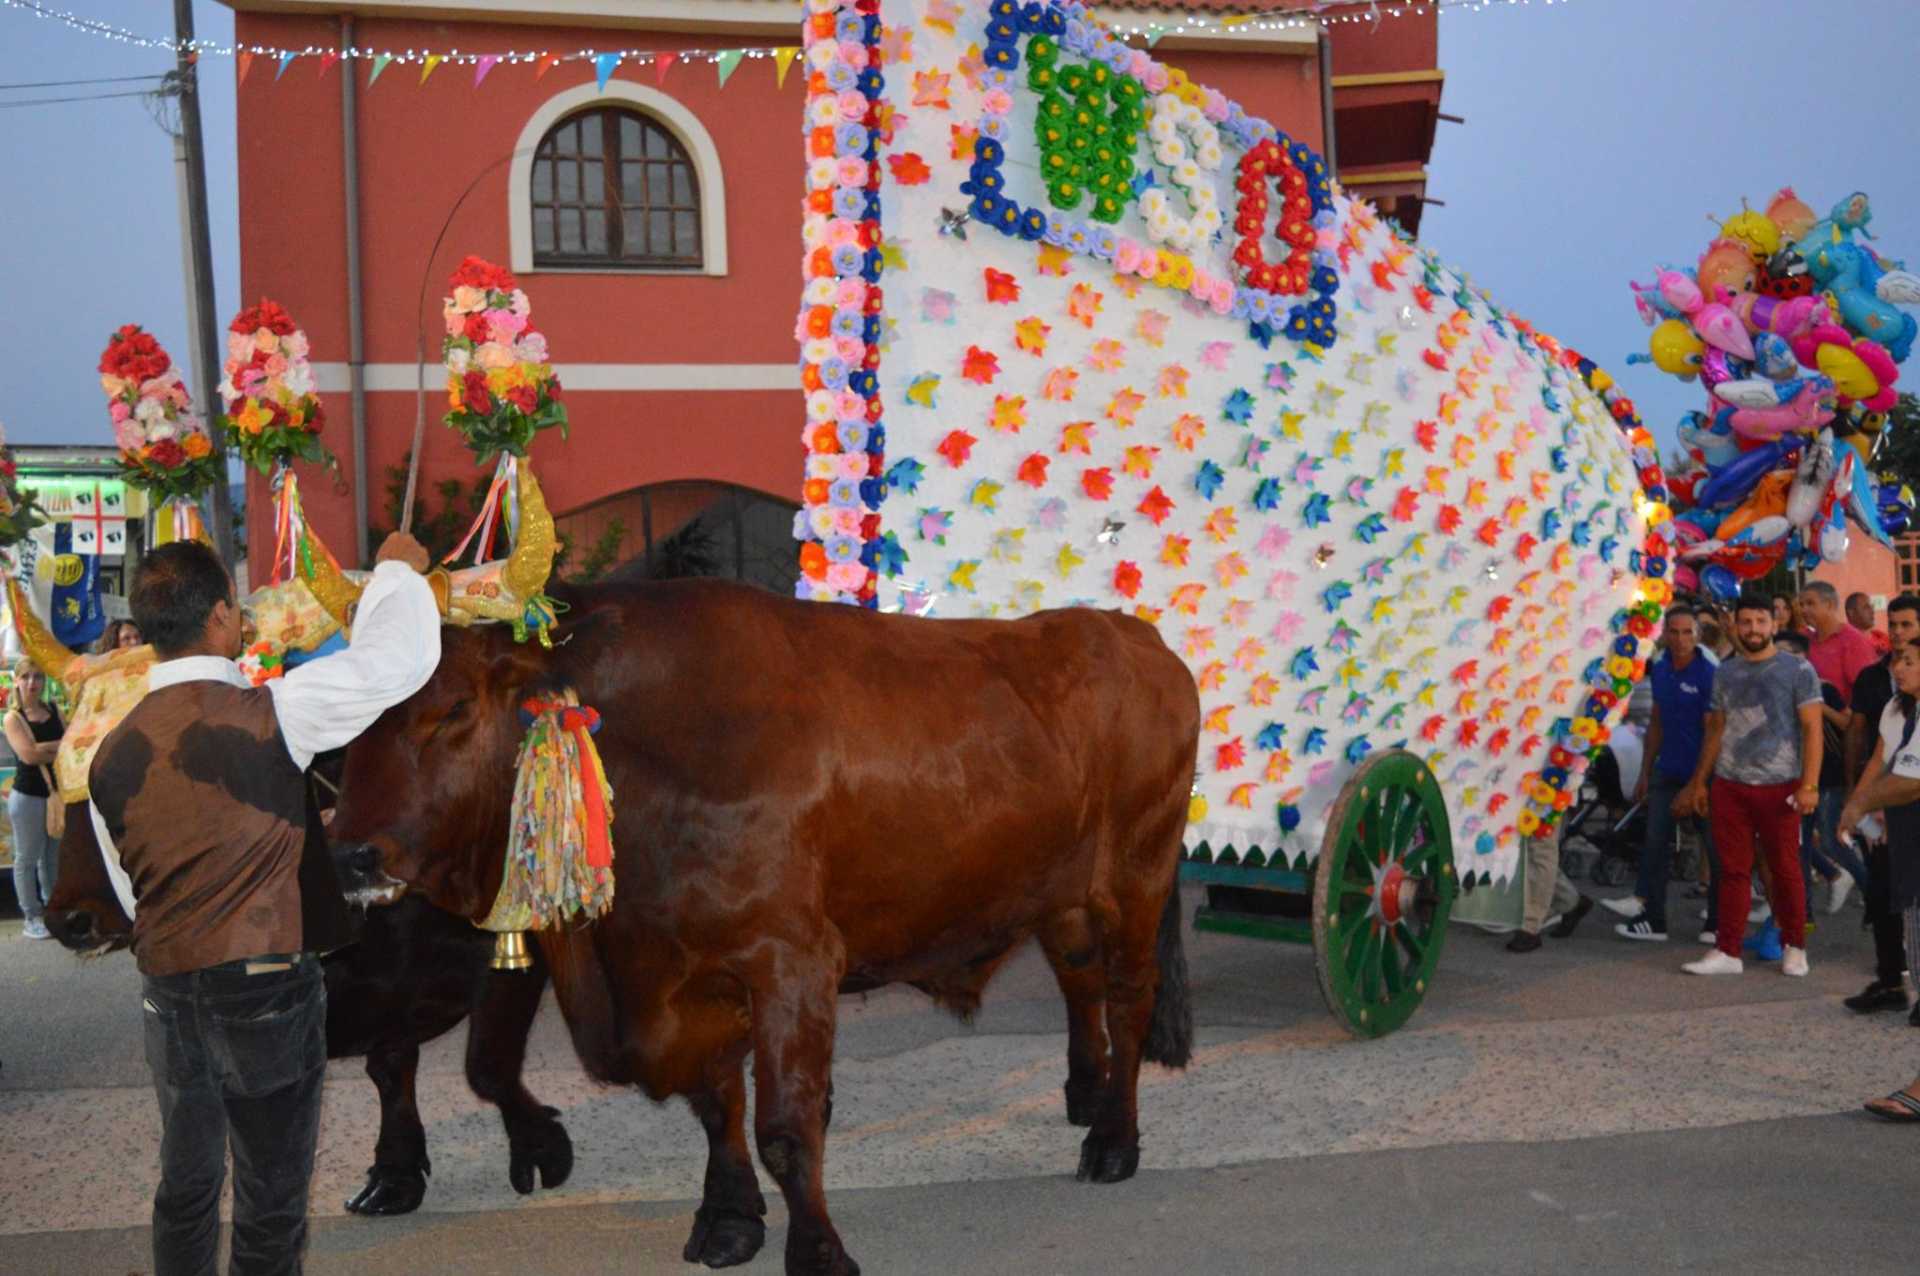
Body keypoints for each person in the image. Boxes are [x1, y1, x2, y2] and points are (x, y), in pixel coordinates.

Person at [88, 533, 438, 1276]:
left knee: (184, 1184)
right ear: (223, 617)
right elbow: (396, 663)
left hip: (168, 990)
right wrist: (397, 572)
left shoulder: (109, 751)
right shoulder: (277, 710)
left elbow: (133, 893)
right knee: (270, 1199)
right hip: (265, 988)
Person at [1678, 590, 1822, 977]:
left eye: (1761, 621)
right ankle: (1727, 950)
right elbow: (1717, 730)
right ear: (1736, 625)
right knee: (1733, 871)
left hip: (1782, 788)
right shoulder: (1725, 672)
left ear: (1774, 624)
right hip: (1730, 786)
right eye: (1746, 622)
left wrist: (1809, 785)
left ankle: (1795, 945)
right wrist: (1700, 782)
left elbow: (1813, 728)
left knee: (1786, 870)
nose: (1754, 629)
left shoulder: (1798, 670)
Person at [1843, 638, 1920, 1119]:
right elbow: (1883, 762)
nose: (1900, 666)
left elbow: (1911, 780)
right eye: (1898, 658)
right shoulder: (1898, 711)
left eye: (1911, 660)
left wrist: (1858, 804)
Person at [1608, 605, 1715, 942]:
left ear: (1697, 635)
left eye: (1688, 632)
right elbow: (1656, 721)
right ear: (1665, 634)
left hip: (1704, 775)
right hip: (1667, 770)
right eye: (1675, 632)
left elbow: (1715, 731)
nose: (1681, 639)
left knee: (1715, 849)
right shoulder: (1662, 667)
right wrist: (1644, 771)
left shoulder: (1708, 672)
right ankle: (1653, 919)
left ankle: (1718, 922)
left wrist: (1699, 782)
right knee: (1654, 843)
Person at [1797, 582, 1874, 905]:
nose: (1804, 609)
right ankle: (1801, 907)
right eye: (1802, 603)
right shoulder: (1809, 643)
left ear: (1830, 605)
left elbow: (1865, 702)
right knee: (1801, 834)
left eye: (1811, 603)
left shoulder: (1853, 643)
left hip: (1843, 750)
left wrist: (1823, 705)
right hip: (1810, 748)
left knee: (1833, 836)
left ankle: (1875, 896)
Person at [5, 658, 65, 940]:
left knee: (51, 858)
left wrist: (44, 747)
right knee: (27, 858)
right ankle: (31, 916)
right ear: (16, 681)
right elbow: (28, 756)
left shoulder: (53, 710)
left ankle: (52, 909)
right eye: (26, 677)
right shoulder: (13, 718)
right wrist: (56, 746)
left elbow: (71, 743)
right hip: (27, 797)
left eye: (38, 677)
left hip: (54, 797)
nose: (32, 683)